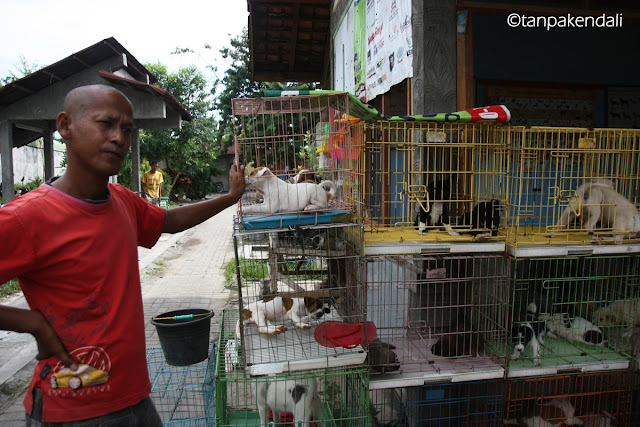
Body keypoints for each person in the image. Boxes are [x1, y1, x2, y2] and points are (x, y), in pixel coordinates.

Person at [0, 84, 245, 425]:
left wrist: (230, 198)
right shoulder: (27, 217)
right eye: (106, 124)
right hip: (73, 408)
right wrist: (32, 323)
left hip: (135, 398)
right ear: (65, 125)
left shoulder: (122, 201)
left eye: (127, 130)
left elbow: (170, 221)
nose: (118, 138)